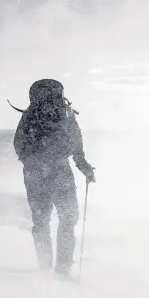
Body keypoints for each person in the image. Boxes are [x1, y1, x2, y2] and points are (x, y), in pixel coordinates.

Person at [13, 79, 95, 278]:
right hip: (60, 172)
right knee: (68, 219)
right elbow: (77, 146)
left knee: (41, 221)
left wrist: (33, 164)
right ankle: (63, 269)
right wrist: (85, 169)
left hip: (35, 175)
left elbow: (18, 143)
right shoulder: (66, 113)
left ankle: (44, 266)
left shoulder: (30, 115)